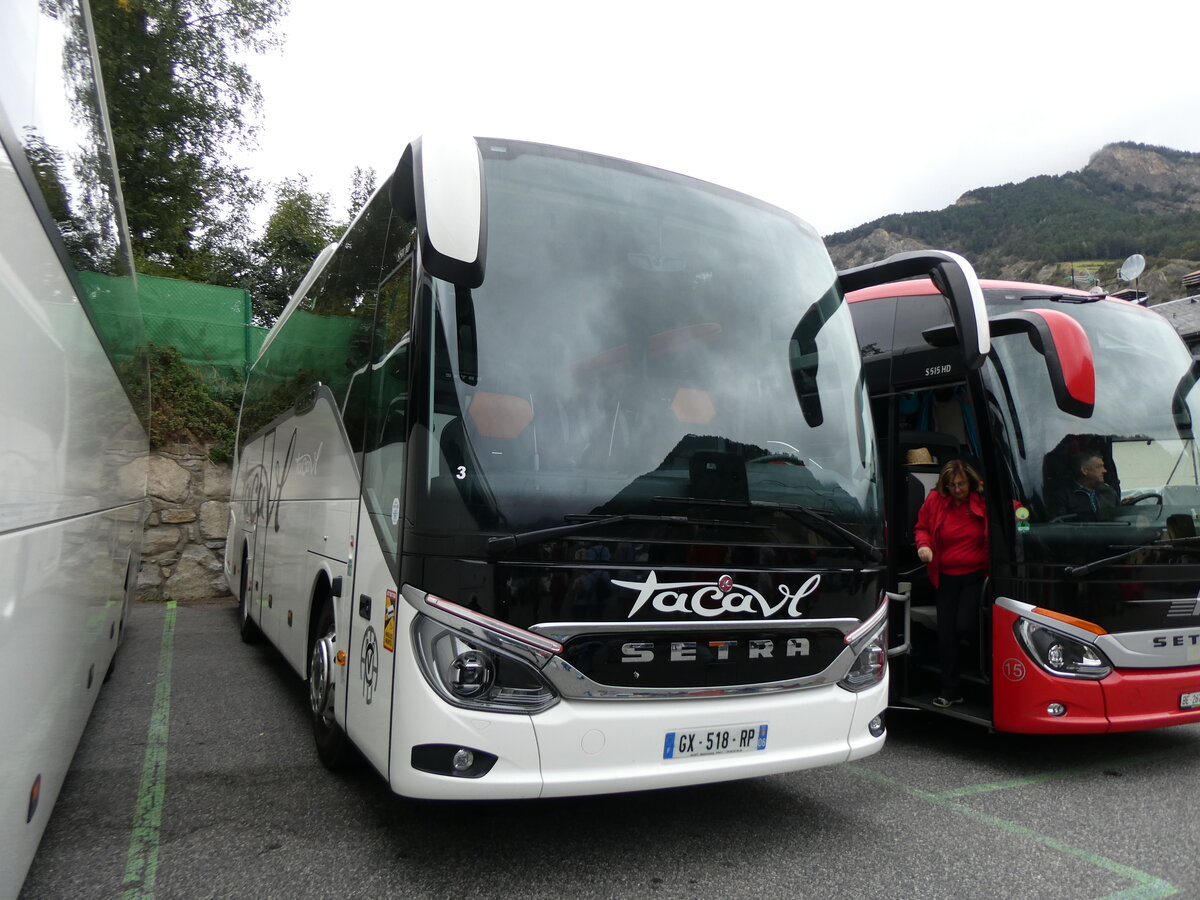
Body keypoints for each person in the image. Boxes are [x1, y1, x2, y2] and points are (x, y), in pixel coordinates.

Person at [914, 459, 988, 708]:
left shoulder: (984, 498)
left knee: (964, 626)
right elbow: (921, 527)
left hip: (975, 575)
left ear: (971, 481)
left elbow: (1018, 512)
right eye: (952, 485)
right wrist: (923, 546)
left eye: (961, 484)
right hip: (945, 577)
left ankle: (984, 669)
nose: (957, 489)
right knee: (946, 635)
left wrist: (1023, 528)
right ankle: (950, 690)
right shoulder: (935, 500)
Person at [1050, 452, 1125, 521]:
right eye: (1098, 467)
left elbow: (1119, 519)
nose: (1104, 470)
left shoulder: (1108, 491)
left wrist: (1125, 507)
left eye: (1103, 466)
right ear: (1084, 470)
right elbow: (1060, 527)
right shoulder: (1063, 496)